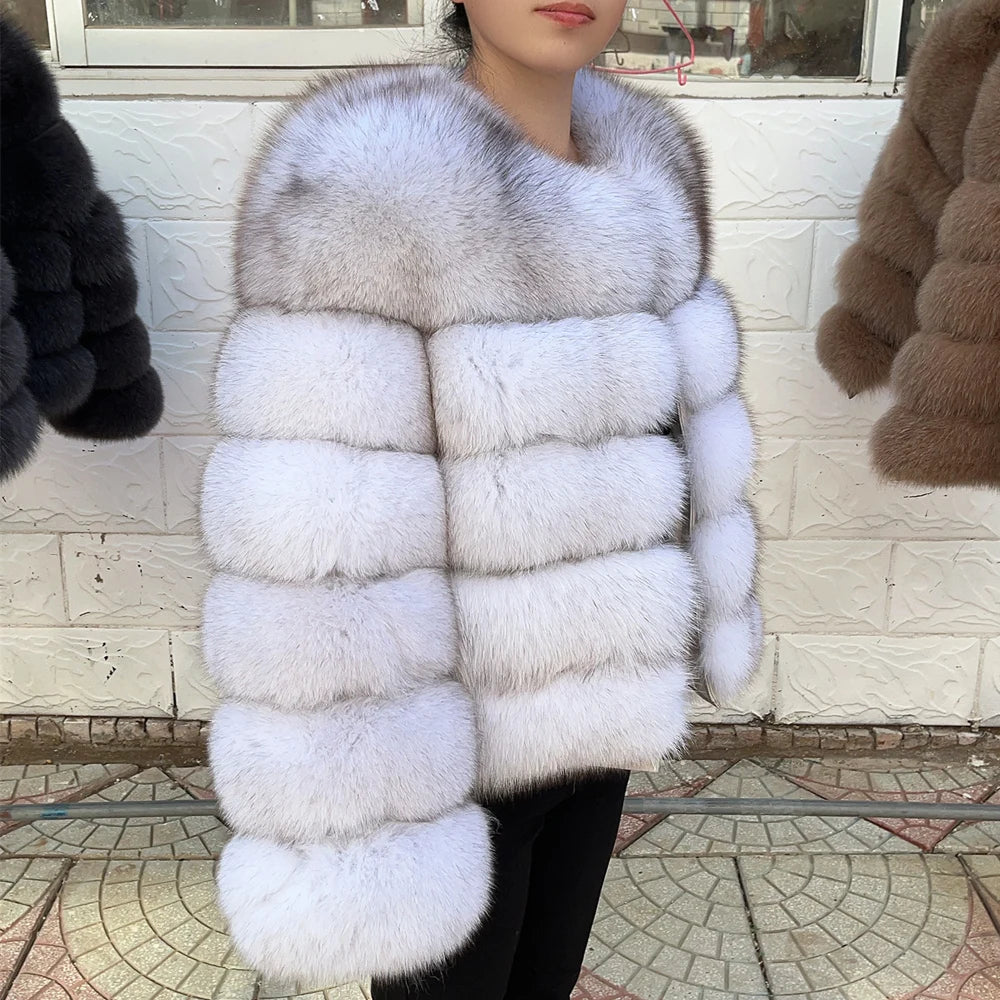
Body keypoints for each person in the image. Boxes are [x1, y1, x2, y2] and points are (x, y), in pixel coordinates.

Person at [197, 2, 761, 998]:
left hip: (602, 718)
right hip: (447, 760)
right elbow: (321, 545)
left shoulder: (649, 170)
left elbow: (674, 443)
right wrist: (360, 815)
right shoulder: (371, 180)